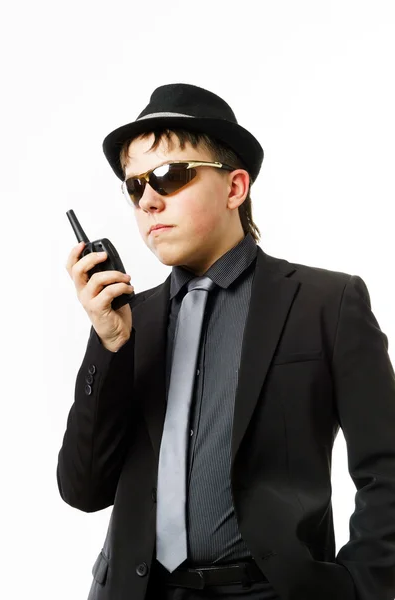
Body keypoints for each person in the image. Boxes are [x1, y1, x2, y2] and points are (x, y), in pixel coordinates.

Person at [57, 83, 395, 600]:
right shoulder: (130, 321)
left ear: (235, 187)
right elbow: (83, 490)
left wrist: (361, 588)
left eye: (170, 176)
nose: (148, 200)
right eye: (135, 185)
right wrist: (108, 346)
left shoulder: (327, 303)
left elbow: (386, 468)